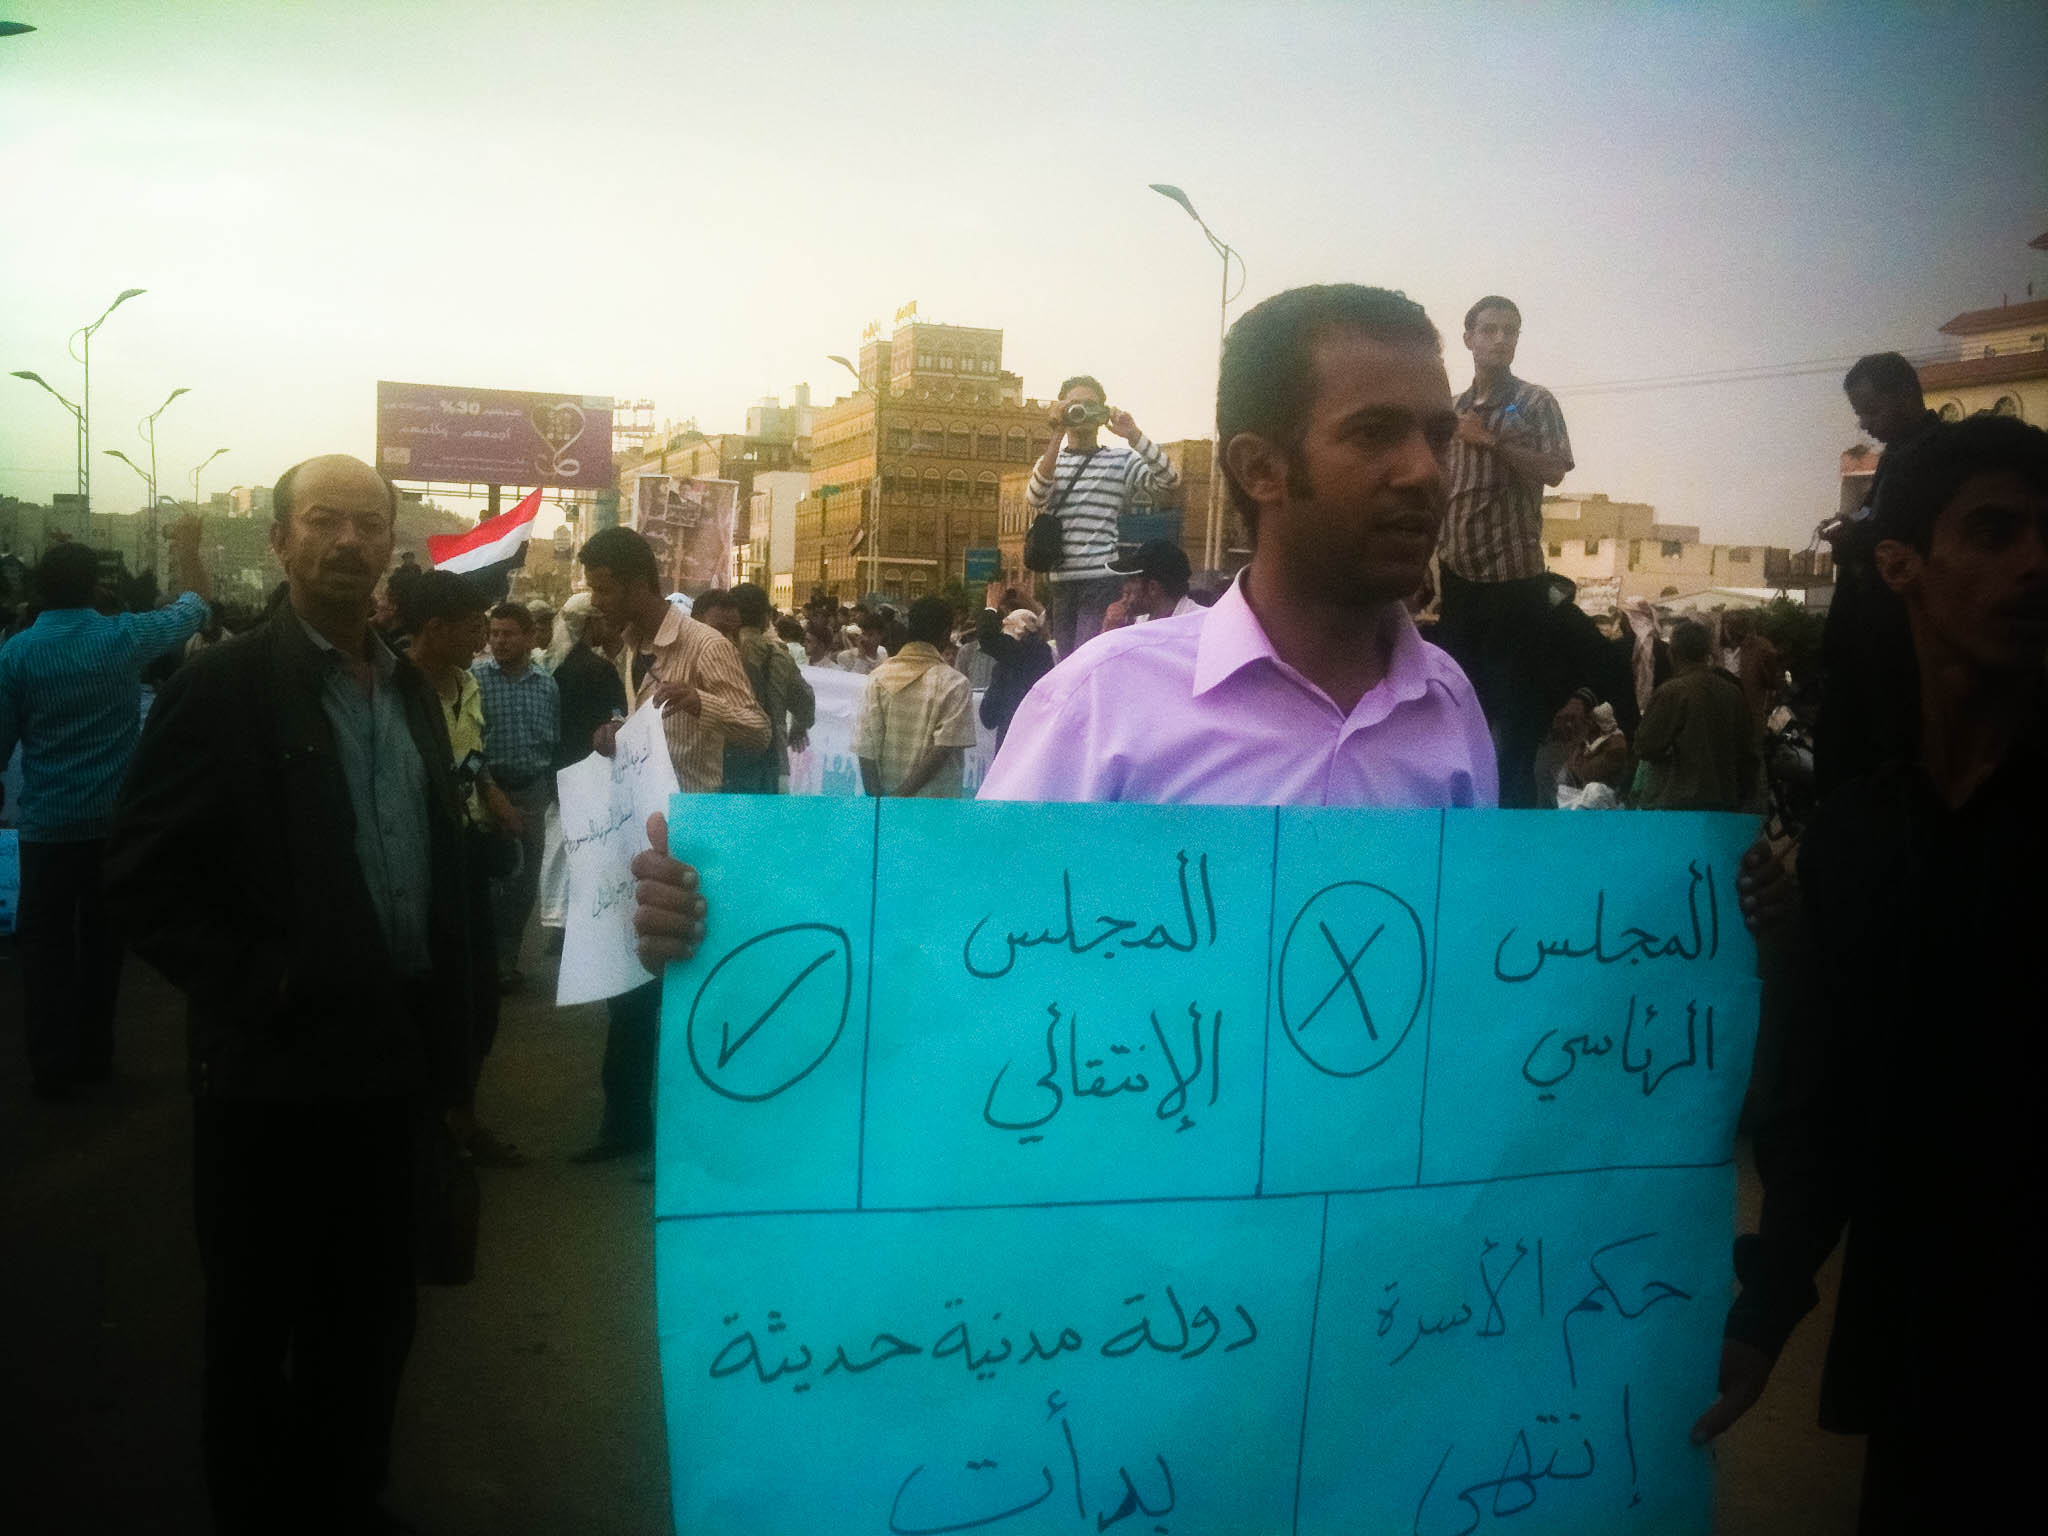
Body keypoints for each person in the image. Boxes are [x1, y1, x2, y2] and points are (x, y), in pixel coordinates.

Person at [103, 454, 492, 1534]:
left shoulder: (412, 689)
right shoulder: (222, 689)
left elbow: (438, 873)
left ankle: (345, 1495)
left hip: (392, 1066)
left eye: (368, 525)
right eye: (323, 521)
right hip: (269, 1076)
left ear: (390, 548)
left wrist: (454, 1061)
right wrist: (264, 983)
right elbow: (140, 877)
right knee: (255, 1320)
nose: (348, 543)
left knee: (372, 1317)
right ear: (280, 542)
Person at [1692, 415, 2048, 1529]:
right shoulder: (1858, 834)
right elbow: (1829, 1112)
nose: (2034, 561)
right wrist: (1758, 1319)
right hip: (1924, 1378)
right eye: (1991, 532)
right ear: (1899, 564)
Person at [984, 285, 1494, 807]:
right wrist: (1052, 437)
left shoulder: (1450, 703)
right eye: (1373, 434)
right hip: (1069, 582)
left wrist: (1132, 433)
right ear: (1259, 469)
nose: (1425, 471)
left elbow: (1166, 475)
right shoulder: (1098, 701)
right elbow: (997, 885)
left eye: (1439, 438)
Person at [575, 525, 768, 1163]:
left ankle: (692, 1144)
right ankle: (624, 1122)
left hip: (691, 837)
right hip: (635, 831)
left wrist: (701, 701)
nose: (595, 599)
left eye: (603, 589)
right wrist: (612, 734)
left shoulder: (702, 644)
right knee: (627, 984)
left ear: (637, 584)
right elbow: (643, 733)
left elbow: (758, 730)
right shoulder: (630, 649)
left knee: (684, 989)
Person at [0, 521, 210, 1098]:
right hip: (111, 828)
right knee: (100, 945)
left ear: (40, 590)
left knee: (42, 950)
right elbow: (196, 608)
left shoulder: (15, 654)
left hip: (44, 830)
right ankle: (95, 1055)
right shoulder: (123, 638)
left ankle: (48, 1065)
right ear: (96, 588)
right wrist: (189, 549)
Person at [1433, 295, 1575, 807]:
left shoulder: (1534, 402)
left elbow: (1555, 469)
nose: (1499, 339)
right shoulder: (1450, 410)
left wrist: (1491, 441)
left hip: (1515, 584)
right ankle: (1464, 840)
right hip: (1459, 581)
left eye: (1509, 331)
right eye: (1488, 329)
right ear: (1468, 338)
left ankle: (1513, 849)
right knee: (1459, 719)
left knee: (1515, 733)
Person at [406, 571, 526, 1167]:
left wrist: (493, 794)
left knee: (479, 1002)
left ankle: (463, 1117)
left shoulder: (465, 684)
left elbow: (471, 750)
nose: (482, 642)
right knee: (431, 1001)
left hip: (466, 855)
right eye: (473, 630)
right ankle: (429, 1130)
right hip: (413, 864)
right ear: (434, 628)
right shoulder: (391, 687)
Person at [1814, 352, 1937, 798]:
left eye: (1869, 410)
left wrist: (1856, 538)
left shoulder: (1931, 457)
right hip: (1868, 650)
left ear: (1904, 395)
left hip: (1895, 659)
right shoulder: (1896, 458)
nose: (1864, 424)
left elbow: (1907, 539)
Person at [1027, 374, 1182, 658]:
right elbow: (1036, 497)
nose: (1082, 412)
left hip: (1100, 578)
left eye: (1090, 405)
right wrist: (1056, 432)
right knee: (1066, 664)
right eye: (1074, 405)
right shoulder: (1051, 461)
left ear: (1102, 414)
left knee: (1086, 660)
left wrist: (1133, 435)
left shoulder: (1121, 460)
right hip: (1061, 581)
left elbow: (1169, 480)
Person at [471, 601, 560, 989]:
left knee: (525, 883)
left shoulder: (546, 683)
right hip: (487, 792)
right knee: (489, 878)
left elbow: (552, 738)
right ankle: (483, 963)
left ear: (529, 637)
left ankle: (506, 961)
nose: (500, 641)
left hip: (532, 791)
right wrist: (489, 791)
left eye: (508, 634)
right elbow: (470, 743)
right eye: (495, 634)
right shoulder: (475, 679)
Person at [538, 591, 627, 951]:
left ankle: (558, 921)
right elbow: (618, 717)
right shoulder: (600, 668)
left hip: (555, 770)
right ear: (590, 623)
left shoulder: (547, 665)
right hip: (590, 770)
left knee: (558, 848)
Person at [853, 594, 979, 798]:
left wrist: (879, 805)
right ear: (946, 633)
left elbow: (865, 748)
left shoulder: (878, 678)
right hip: (934, 813)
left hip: (884, 812)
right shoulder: (955, 684)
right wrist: (900, 800)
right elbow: (942, 750)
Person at [1630, 619, 1760, 810]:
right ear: (1707, 654)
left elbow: (1644, 746)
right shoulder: (1731, 692)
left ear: (1671, 653)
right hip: (1725, 804)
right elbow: (1748, 752)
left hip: (1679, 805)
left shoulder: (1671, 692)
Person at [725, 581, 815, 793]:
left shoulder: (721, 652)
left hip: (727, 767)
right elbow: (805, 701)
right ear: (766, 617)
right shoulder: (779, 656)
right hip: (772, 765)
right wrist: (798, 727)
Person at [974, 587, 1055, 749]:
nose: (1002, 625)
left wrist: (991, 607)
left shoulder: (1016, 657)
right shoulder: (1043, 653)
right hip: (1039, 742)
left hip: (1013, 745)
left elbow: (989, 716)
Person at [1099, 538, 1202, 629]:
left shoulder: (1200, 625)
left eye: (1131, 579)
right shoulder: (1143, 620)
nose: (1125, 587)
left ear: (1153, 587)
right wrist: (1109, 628)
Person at [1530, 688, 1594, 807]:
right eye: (1564, 718)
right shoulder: (1549, 750)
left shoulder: (1590, 750)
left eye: (1574, 719)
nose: (1569, 725)